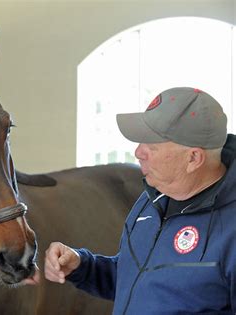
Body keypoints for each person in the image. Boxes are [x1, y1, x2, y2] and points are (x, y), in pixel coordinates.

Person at [44, 87, 236, 314]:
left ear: (193, 158)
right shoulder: (151, 201)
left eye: (152, 146)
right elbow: (137, 279)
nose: (138, 152)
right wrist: (82, 266)